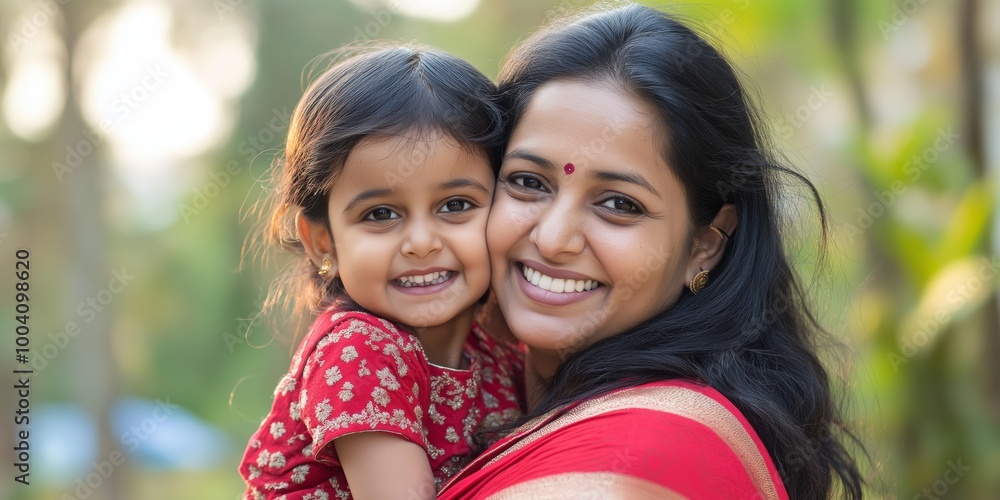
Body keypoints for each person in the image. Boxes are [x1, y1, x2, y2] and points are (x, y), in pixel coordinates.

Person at [439, 4, 864, 499]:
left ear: (704, 244)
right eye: (528, 182)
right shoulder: (474, 383)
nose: (554, 239)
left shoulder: (650, 453)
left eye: (619, 204)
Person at [238, 44, 524, 499]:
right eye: (381, 214)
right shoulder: (358, 350)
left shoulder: (497, 347)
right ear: (322, 241)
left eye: (455, 205)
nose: (422, 242)